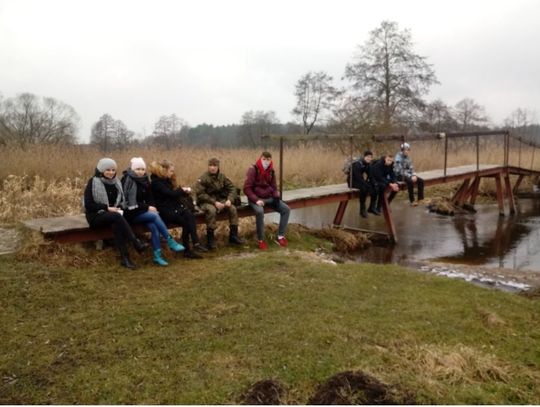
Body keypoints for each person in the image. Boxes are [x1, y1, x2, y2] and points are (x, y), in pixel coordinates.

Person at [83, 157, 148, 269]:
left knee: (116, 224)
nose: (111, 172)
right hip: (95, 216)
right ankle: (135, 242)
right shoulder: (93, 182)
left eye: (113, 170)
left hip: (113, 216)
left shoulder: (116, 182)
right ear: (101, 170)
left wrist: (118, 208)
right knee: (116, 217)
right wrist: (107, 208)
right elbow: (88, 205)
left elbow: (120, 202)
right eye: (107, 170)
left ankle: (125, 259)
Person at [121, 157, 185, 267]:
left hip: (143, 212)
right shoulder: (127, 180)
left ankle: (157, 256)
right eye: (138, 169)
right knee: (154, 216)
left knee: (154, 227)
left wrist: (152, 206)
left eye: (142, 169)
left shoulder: (145, 180)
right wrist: (147, 207)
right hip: (130, 213)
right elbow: (128, 203)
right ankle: (170, 240)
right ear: (132, 169)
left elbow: (150, 197)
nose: (140, 171)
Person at [149, 159, 208, 259]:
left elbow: (174, 195)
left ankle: (194, 245)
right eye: (171, 171)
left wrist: (184, 192)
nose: (172, 173)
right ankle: (190, 249)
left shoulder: (166, 180)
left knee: (189, 216)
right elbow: (170, 194)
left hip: (173, 208)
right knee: (187, 221)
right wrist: (182, 190)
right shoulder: (156, 183)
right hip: (165, 211)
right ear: (164, 170)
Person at [194, 157, 244, 250]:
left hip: (220, 200)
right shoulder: (203, 178)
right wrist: (214, 202)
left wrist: (229, 200)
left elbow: (232, 188)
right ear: (208, 166)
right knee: (211, 210)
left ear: (218, 167)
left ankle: (233, 236)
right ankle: (210, 240)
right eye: (210, 165)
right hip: (206, 202)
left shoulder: (222, 177)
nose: (212, 168)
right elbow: (200, 194)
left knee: (232, 208)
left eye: (214, 165)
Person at [243, 151, 290, 250]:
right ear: (260, 158)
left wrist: (276, 196)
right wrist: (256, 200)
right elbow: (247, 189)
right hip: (255, 198)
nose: (266, 162)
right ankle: (261, 240)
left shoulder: (271, 171)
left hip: (268, 197)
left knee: (286, 209)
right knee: (260, 211)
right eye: (264, 159)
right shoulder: (253, 169)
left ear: (270, 160)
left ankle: (281, 236)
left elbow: (273, 187)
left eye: (268, 160)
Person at [351, 150, 376, 218]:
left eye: (370, 157)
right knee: (364, 188)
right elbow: (358, 177)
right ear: (364, 157)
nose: (369, 158)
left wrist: (374, 183)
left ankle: (372, 207)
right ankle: (362, 209)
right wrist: (366, 184)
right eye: (367, 157)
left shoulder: (368, 164)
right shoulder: (357, 164)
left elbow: (370, 176)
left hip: (360, 180)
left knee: (375, 187)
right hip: (352, 181)